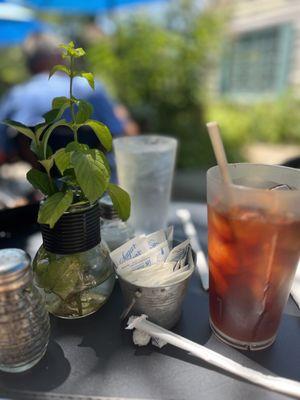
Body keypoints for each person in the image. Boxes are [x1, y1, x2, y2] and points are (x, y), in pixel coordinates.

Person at [0, 33, 138, 175]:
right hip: (92, 182)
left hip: (43, 186)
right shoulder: (89, 87)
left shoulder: (16, 95)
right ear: (60, 56)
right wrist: (123, 115)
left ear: (30, 63)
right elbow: (122, 133)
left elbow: (3, 150)